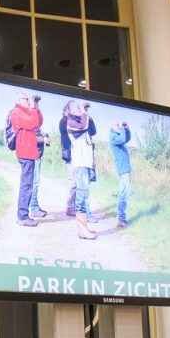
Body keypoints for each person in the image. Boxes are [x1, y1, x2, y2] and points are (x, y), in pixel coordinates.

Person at [9, 92, 43, 227]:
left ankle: (24, 215)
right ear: (19, 100)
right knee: (26, 185)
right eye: (27, 99)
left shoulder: (27, 111)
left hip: (30, 152)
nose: (29, 100)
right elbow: (32, 122)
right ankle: (22, 217)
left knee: (28, 184)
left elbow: (39, 122)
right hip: (25, 152)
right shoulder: (17, 111)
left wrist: (36, 107)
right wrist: (33, 109)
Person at [65, 101, 97, 240]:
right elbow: (84, 126)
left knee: (84, 194)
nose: (80, 108)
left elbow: (92, 130)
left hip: (86, 163)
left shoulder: (80, 120)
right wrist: (85, 113)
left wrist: (86, 114)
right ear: (69, 110)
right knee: (81, 195)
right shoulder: (71, 122)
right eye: (77, 107)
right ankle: (82, 230)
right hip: (81, 163)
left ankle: (83, 228)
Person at [110, 121, 132, 228]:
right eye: (116, 125)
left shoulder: (118, 137)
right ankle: (121, 218)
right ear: (112, 128)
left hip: (125, 169)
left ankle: (121, 218)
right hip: (123, 170)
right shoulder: (114, 137)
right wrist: (122, 129)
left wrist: (126, 128)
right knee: (123, 194)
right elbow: (123, 139)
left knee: (123, 193)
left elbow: (127, 138)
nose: (119, 126)